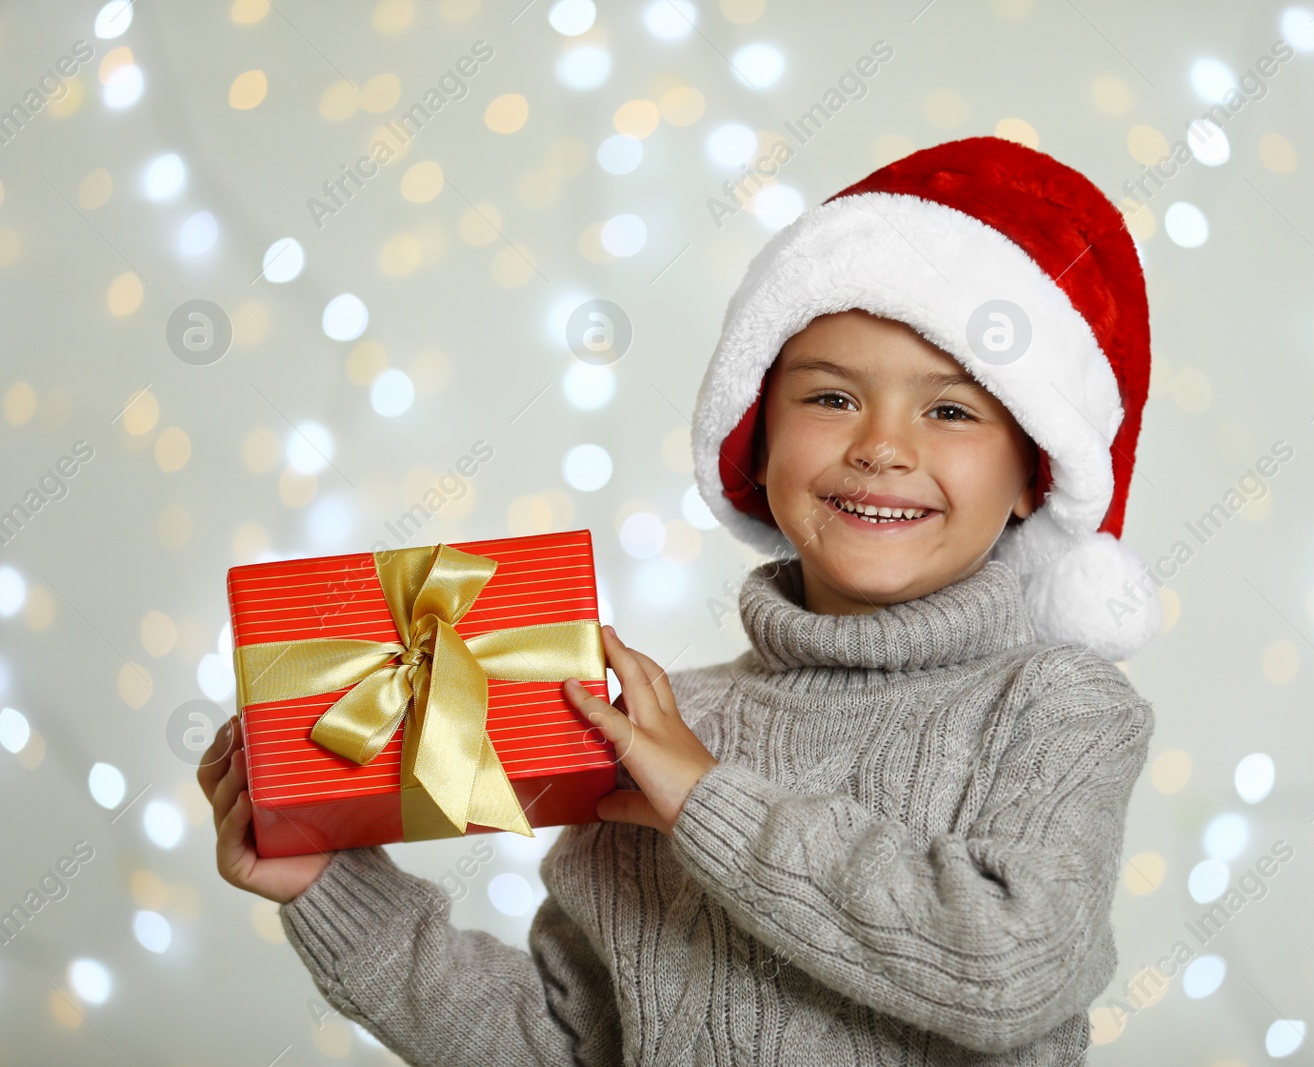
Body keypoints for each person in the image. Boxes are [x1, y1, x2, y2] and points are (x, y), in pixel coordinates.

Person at [201, 135, 1161, 1065]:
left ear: (1035, 471)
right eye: (831, 397)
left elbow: (1014, 970)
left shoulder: (1056, 707)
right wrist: (330, 883)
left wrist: (705, 800)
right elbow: (565, 1045)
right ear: (758, 435)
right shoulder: (659, 726)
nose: (883, 447)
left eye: (950, 410)